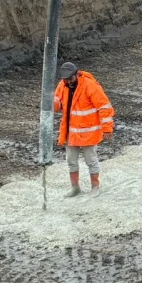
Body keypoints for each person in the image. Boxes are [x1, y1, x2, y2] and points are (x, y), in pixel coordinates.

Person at [53, 61, 115, 197]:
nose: (68, 82)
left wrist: (107, 129)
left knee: (91, 160)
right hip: (71, 132)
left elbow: (104, 106)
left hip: (89, 132)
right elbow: (57, 102)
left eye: (70, 78)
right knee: (71, 161)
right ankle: (75, 188)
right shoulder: (62, 84)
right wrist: (50, 103)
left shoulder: (90, 85)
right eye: (65, 79)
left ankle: (95, 187)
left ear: (76, 74)